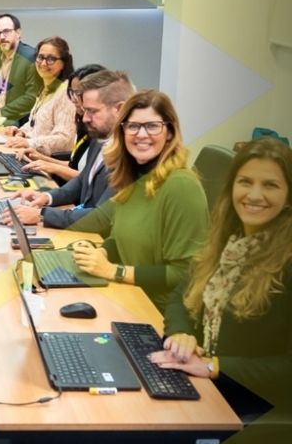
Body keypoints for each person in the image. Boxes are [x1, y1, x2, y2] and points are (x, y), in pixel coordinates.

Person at [150, 138, 291, 422]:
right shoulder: (227, 242)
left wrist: (215, 366)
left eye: (270, 185)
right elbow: (181, 295)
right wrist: (180, 333)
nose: (254, 195)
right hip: (204, 383)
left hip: (250, 407)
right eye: (245, 182)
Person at [70, 90, 209, 311]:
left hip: (158, 313)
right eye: (133, 126)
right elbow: (120, 238)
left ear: (170, 133)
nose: (141, 134)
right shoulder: (133, 177)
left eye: (152, 126)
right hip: (128, 295)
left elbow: (185, 272)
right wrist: (102, 252)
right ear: (122, 131)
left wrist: (113, 271)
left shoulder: (181, 185)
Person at [2, 69, 134, 229]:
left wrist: (41, 215)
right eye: (85, 110)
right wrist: (47, 197)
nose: (85, 118)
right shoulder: (101, 136)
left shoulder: (131, 154)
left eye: (92, 111)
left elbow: (102, 218)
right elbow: (82, 181)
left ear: (119, 109)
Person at [15, 64, 107, 182]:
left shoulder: (103, 133)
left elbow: (89, 180)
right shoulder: (83, 123)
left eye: (78, 93)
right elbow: (74, 166)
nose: (73, 99)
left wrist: (53, 167)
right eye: (72, 92)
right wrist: (40, 158)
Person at [3, 37, 77, 156]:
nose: (43, 63)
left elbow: (64, 139)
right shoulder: (45, 88)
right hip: (31, 154)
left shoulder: (66, 94)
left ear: (63, 63)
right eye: (40, 57)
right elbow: (35, 124)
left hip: (47, 160)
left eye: (51, 59)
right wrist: (21, 132)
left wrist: (30, 142)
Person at [0, 13, 40, 123]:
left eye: (6, 31)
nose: (2, 37)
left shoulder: (31, 57)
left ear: (18, 33)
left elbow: (31, 98)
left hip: (18, 119)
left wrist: (0, 112)